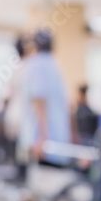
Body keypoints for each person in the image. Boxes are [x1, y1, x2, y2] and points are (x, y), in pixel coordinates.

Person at [23, 30, 71, 164]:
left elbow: (40, 101)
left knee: (42, 178)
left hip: (45, 136)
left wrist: (42, 138)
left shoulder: (36, 64)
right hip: (56, 133)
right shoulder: (54, 64)